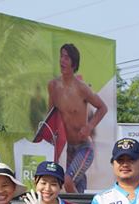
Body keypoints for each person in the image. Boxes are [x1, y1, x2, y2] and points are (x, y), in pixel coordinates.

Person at [47, 43, 109, 193]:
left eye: (66, 58)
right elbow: (51, 115)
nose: (62, 60)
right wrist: (50, 137)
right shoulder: (53, 86)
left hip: (84, 147)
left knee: (67, 181)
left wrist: (89, 127)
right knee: (76, 188)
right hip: (69, 149)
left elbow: (103, 108)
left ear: (74, 63)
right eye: (61, 56)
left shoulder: (81, 88)